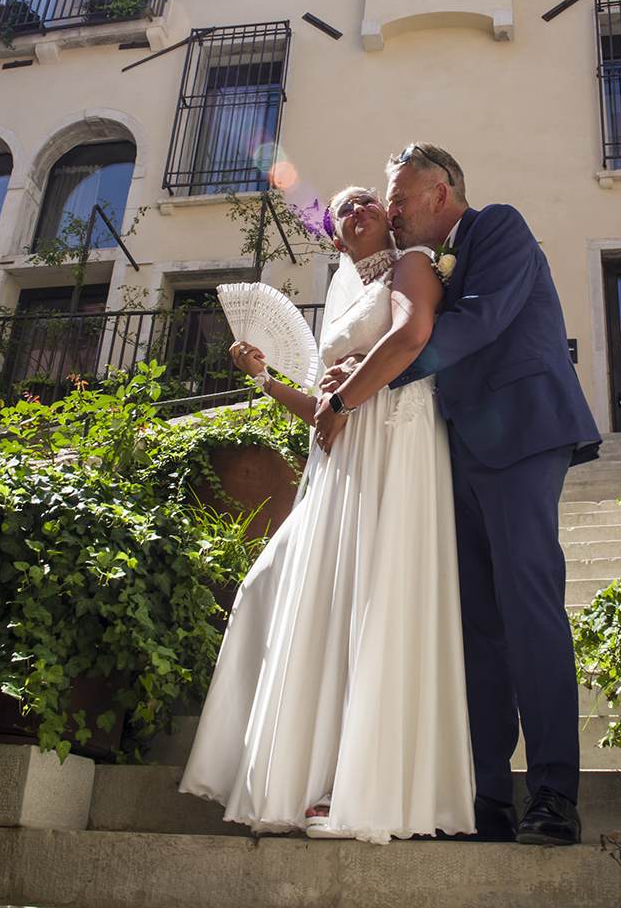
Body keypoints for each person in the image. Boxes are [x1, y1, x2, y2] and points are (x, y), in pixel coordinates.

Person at [179, 186, 475, 843]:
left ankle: (358, 783)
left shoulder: (415, 263)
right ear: (336, 238)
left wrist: (346, 396)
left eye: (369, 199)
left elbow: (410, 339)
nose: (360, 208)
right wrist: (264, 377)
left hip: (396, 441)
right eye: (345, 208)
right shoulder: (341, 295)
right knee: (284, 593)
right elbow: (322, 407)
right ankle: (289, 772)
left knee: (377, 596)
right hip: (342, 456)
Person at [383, 144, 601, 846]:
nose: (391, 211)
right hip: (461, 451)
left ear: (441, 192)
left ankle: (554, 795)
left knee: (528, 605)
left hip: (524, 435)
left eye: (400, 198)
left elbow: (476, 321)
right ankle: (487, 797)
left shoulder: (498, 226)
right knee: (480, 627)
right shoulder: (416, 264)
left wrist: (376, 375)